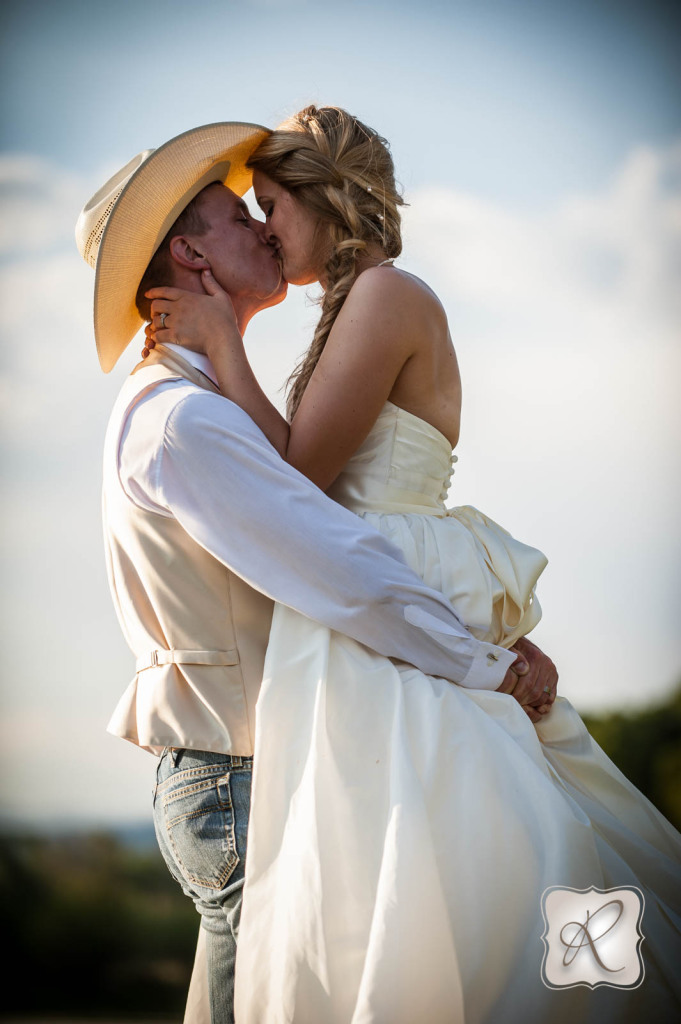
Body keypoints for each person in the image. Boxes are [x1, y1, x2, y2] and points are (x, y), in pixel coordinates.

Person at [145, 106, 681, 1023]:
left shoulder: (388, 295)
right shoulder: (351, 304)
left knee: (470, 844)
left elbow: (299, 478)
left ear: (321, 198)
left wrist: (225, 344)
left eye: (270, 201)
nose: (265, 226)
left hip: (380, 575)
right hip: (357, 584)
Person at [76, 122, 558, 1024]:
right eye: (240, 216)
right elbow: (339, 563)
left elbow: (337, 527)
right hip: (240, 775)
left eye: (270, 207)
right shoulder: (187, 420)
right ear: (189, 252)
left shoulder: (201, 405)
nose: (263, 230)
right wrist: (484, 661)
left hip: (276, 759)